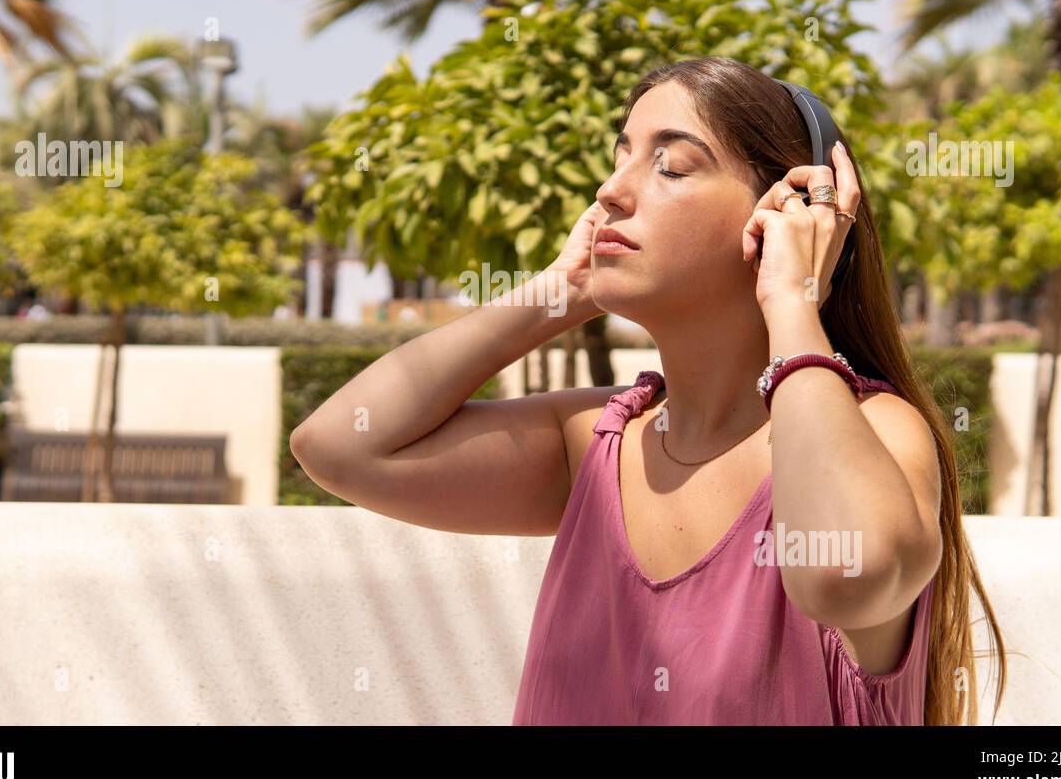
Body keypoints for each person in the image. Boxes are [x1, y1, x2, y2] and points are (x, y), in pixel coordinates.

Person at [289, 57, 1006, 726]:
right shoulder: (596, 445)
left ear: (784, 213)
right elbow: (341, 446)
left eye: (670, 163)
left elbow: (844, 579)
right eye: (619, 156)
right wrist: (558, 294)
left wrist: (793, 299)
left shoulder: (877, 431)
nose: (610, 191)